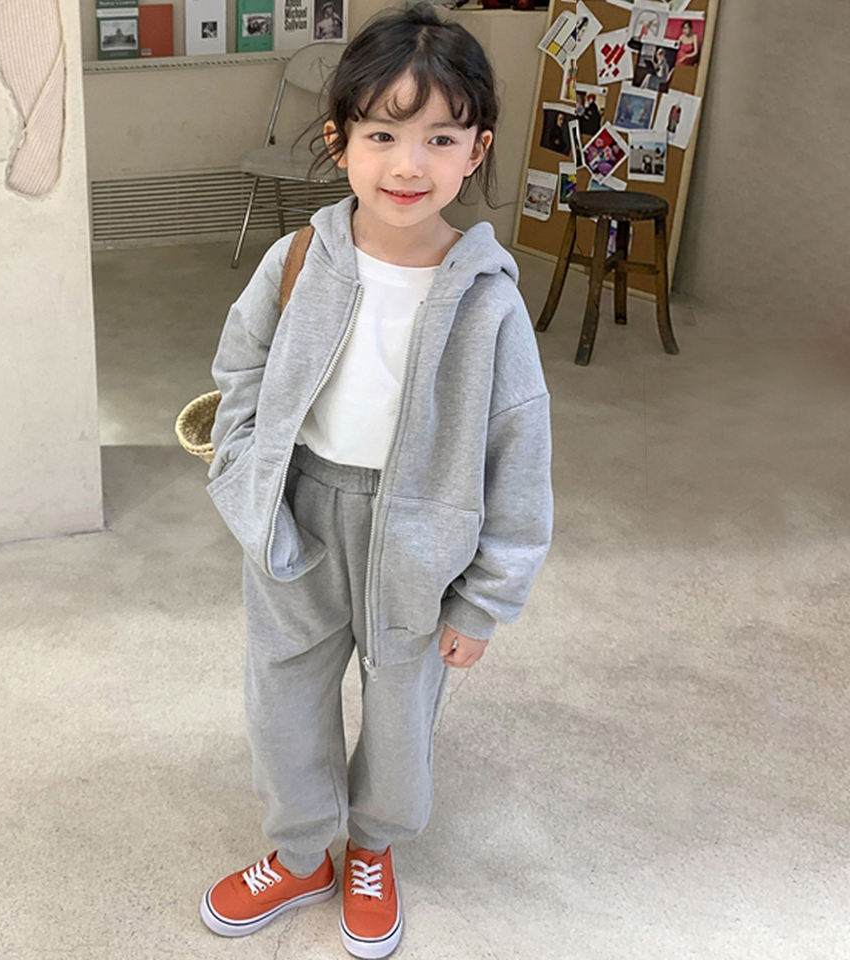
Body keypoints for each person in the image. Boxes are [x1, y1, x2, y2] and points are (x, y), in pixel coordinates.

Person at [197, 6, 553, 959]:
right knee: (283, 694)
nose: (409, 165)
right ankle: (301, 851)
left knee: (401, 707)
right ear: (339, 139)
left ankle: (372, 846)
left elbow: (519, 453)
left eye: (439, 138)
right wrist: (245, 471)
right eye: (383, 134)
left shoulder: (488, 301)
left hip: (422, 536)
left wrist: (486, 600)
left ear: (476, 151)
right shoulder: (298, 259)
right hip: (301, 510)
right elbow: (240, 369)